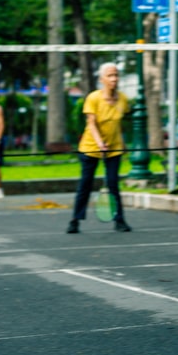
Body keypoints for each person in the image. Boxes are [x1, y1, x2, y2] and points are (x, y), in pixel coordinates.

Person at [67, 63, 132, 233]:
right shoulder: (93, 98)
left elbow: (118, 124)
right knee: (85, 185)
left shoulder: (123, 99)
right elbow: (91, 123)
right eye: (110, 75)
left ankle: (120, 220)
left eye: (116, 75)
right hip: (90, 147)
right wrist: (100, 143)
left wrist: (122, 144)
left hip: (114, 148)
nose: (114, 79)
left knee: (113, 185)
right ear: (102, 79)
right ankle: (75, 220)